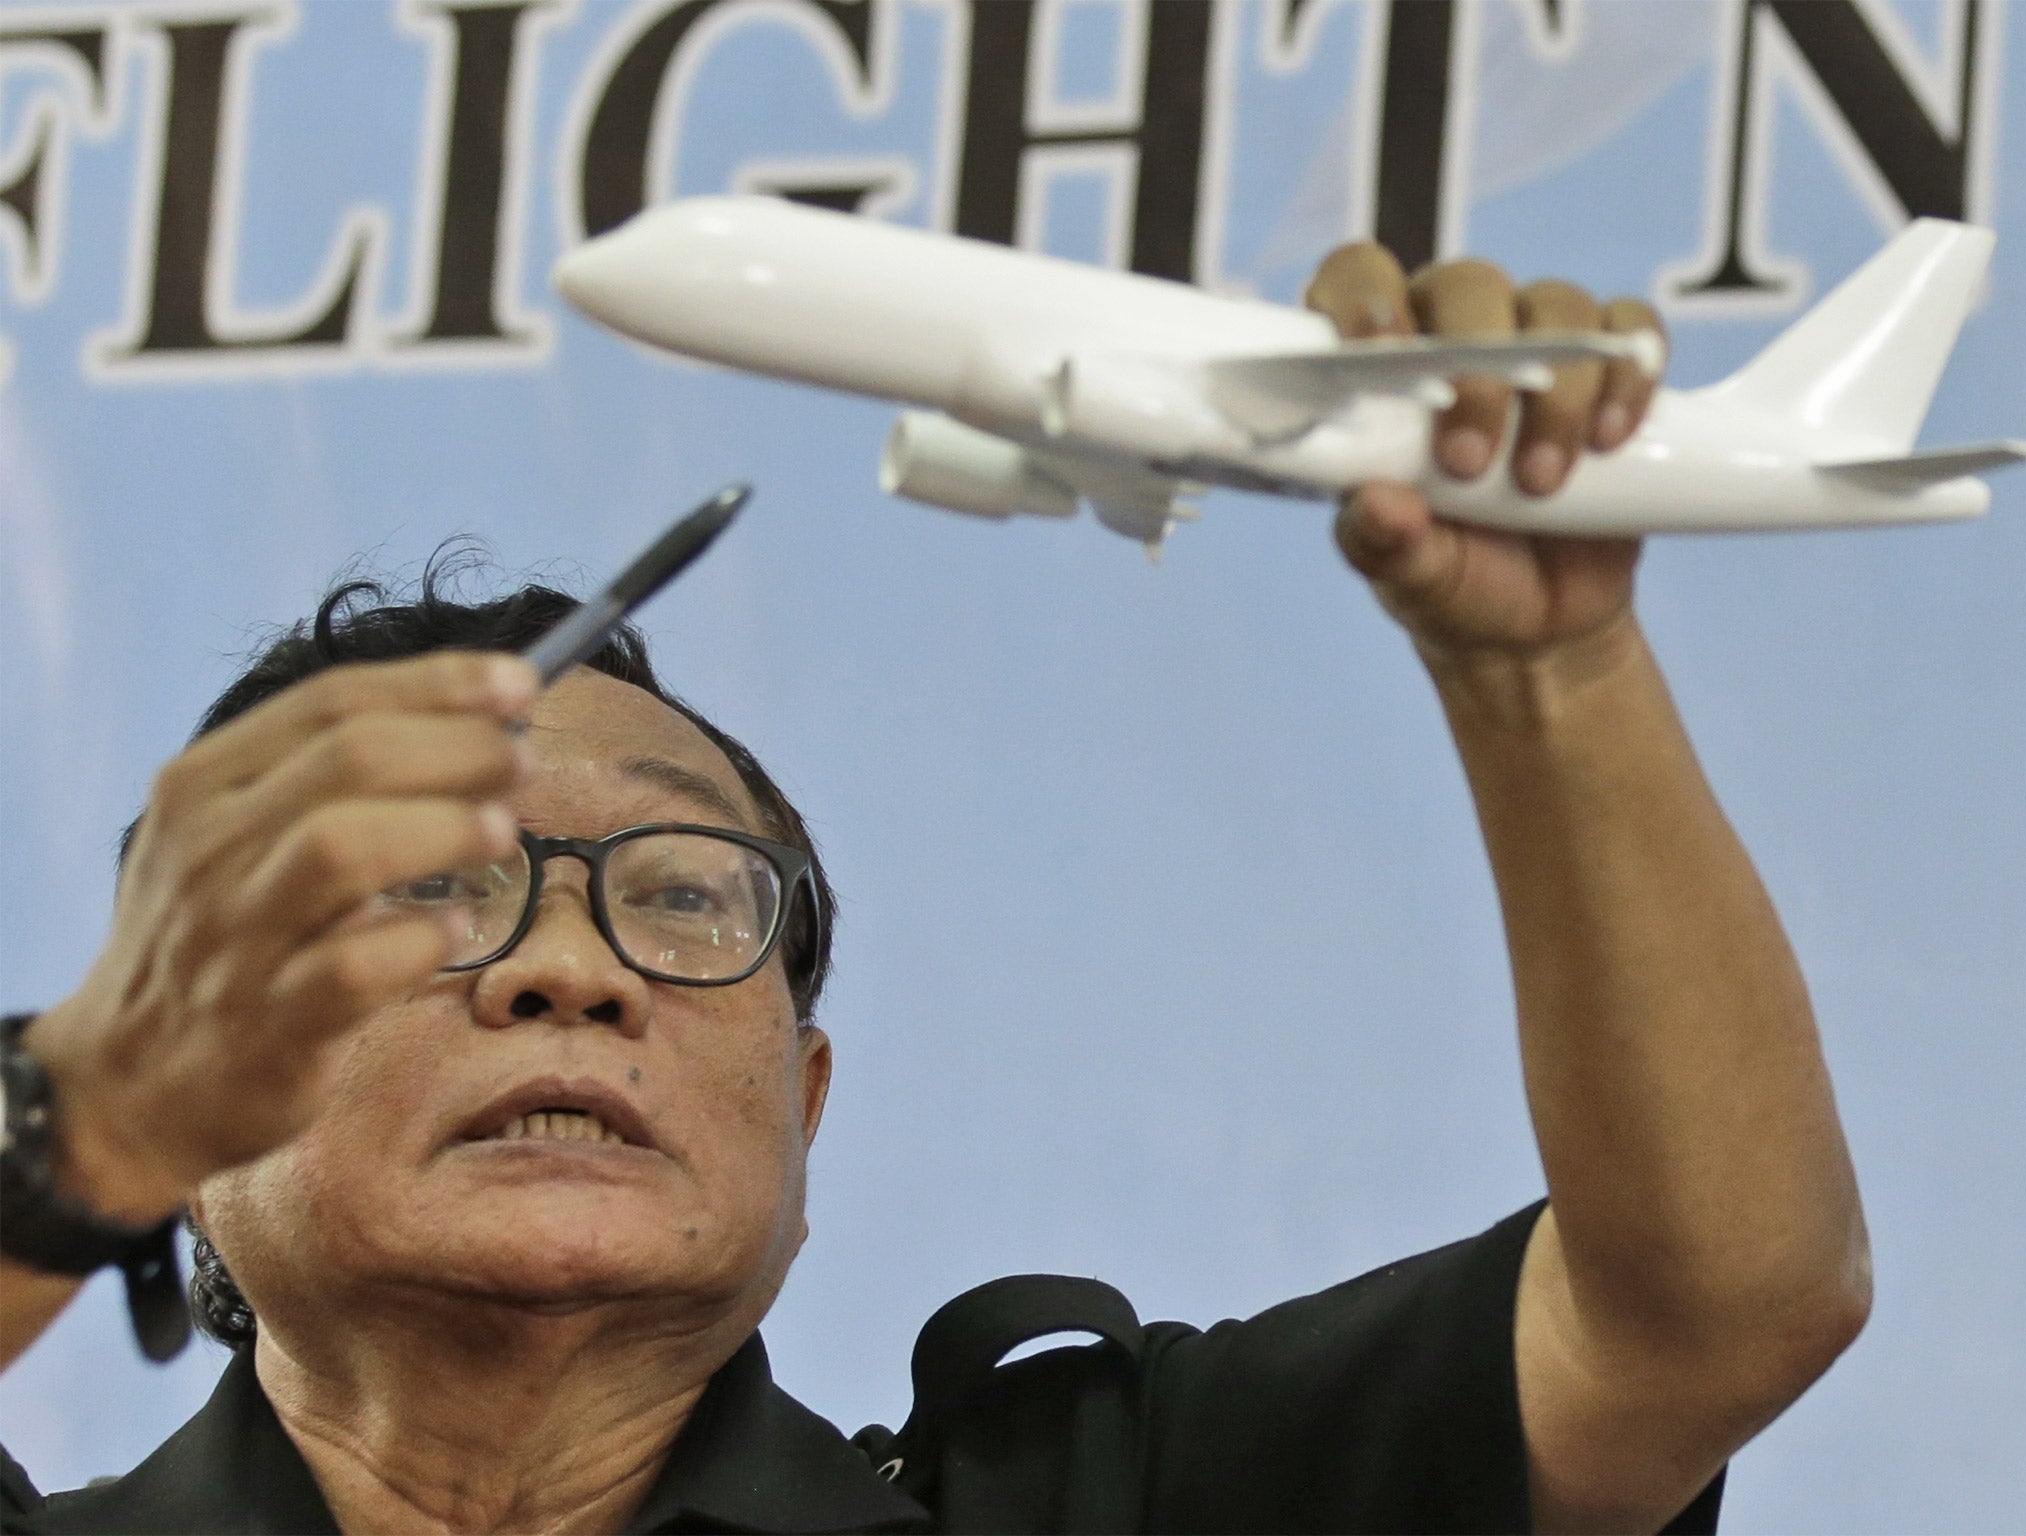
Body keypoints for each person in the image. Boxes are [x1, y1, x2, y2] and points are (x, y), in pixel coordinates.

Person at [0, 249, 1870, 1535]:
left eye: (679, 894)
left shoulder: (1112, 1506)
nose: (569, 969)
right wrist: (73, 1131)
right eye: (431, 889)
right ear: (195, 1069)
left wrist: (1546, 673)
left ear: (805, 1100)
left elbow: (1709, 1309)